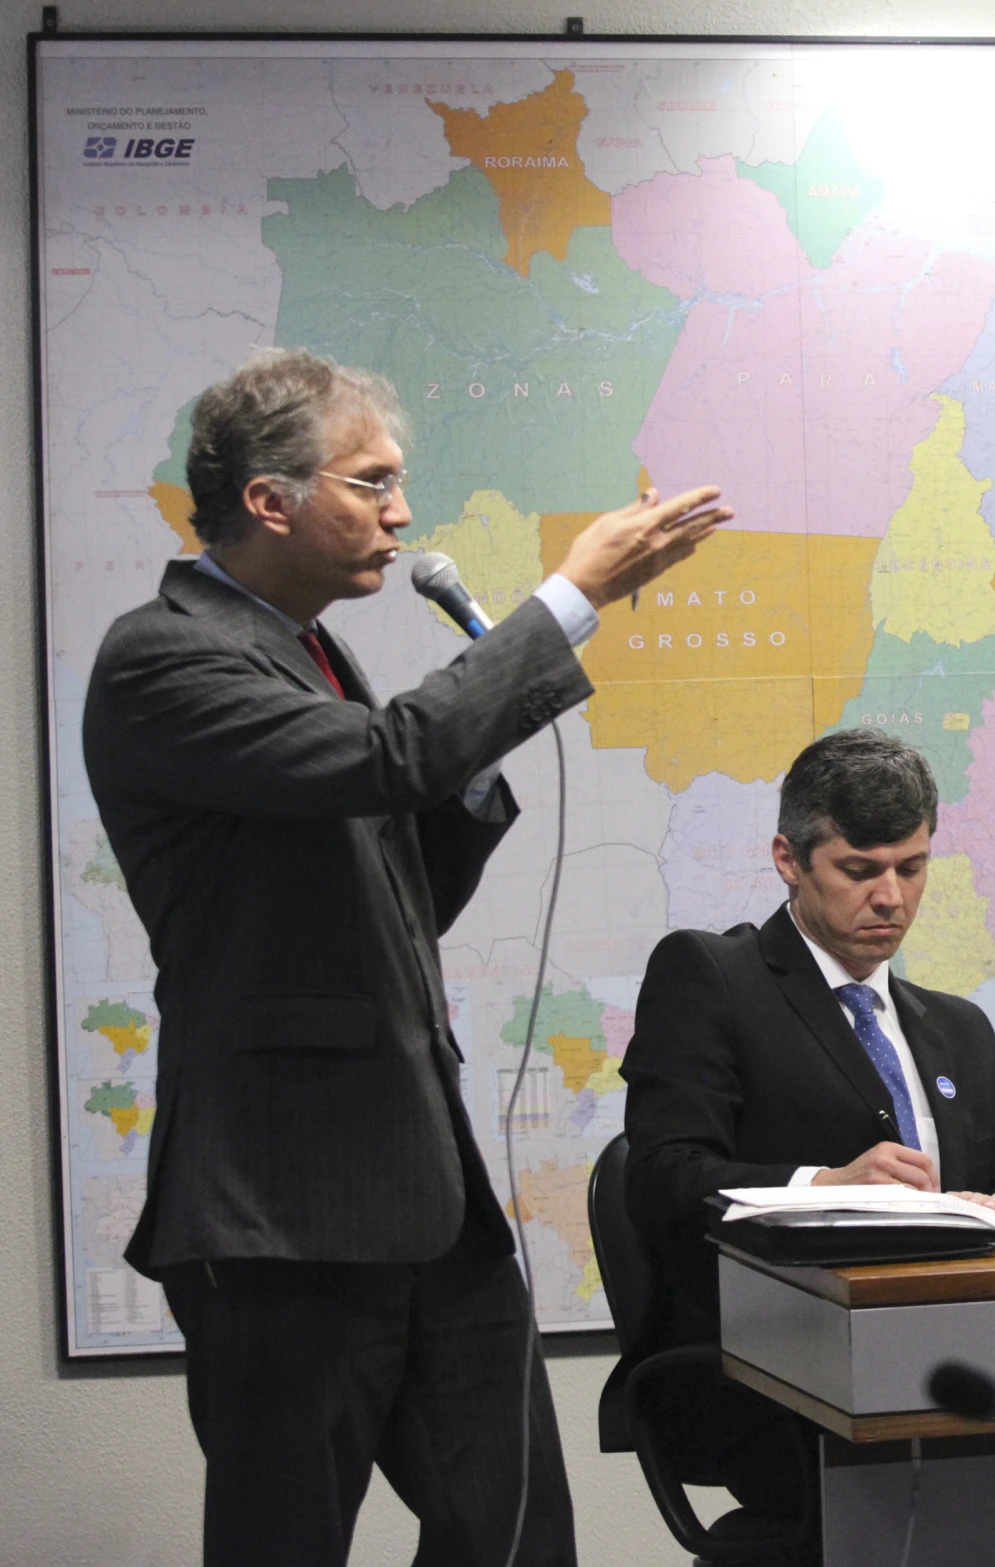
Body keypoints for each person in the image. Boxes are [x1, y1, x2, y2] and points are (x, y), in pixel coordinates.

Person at [82, 347, 730, 1567]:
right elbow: (386, 758)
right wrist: (568, 599)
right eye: (372, 482)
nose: (401, 511)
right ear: (270, 500)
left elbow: (397, 896)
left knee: (522, 1539)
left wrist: (463, 772)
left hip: (428, 1205)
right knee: (287, 1544)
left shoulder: (317, 651)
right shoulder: (163, 654)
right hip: (282, 1219)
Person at [620, 728, 995, 1561]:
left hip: (952, 1357)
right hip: (782, 1376)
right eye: (860, 870)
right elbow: (664, 1180)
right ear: (789, 857)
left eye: (911, 868)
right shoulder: (712, 978)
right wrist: (827, 1183)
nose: (890, 896)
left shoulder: (957, 1027)